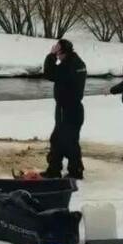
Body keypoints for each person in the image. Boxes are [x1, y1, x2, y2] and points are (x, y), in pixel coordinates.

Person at [43, 39, 87, 180]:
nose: (57, 56)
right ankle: (56, 169)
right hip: (74, 107)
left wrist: (51, 55)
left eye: (58, 52)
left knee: (64, 140)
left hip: (67, 109)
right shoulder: (78, 63)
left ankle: (73, 171)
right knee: (64, 139)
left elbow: (49, 73)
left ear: (62, 52)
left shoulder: (68, 66)